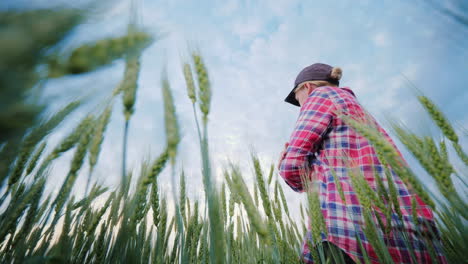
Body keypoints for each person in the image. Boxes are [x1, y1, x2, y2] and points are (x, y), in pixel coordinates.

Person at [278, 63, 447, 264]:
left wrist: (287, 167)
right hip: (408, 235)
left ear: (307, 87)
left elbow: (292, 165)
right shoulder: (359, 111)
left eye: (298, 100)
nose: (301, 106)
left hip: (347, 231)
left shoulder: (320, 96)